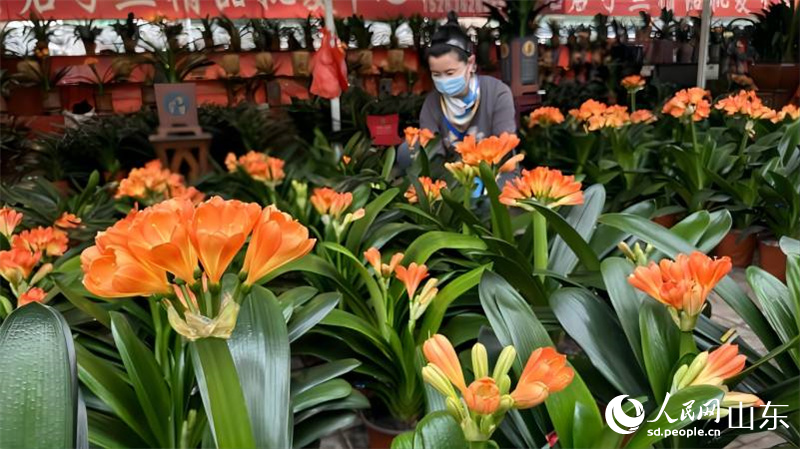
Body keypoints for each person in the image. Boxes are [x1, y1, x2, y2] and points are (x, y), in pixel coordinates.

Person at [419, 12, 516, 155]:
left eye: (450, 73)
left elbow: (505, 148)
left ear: (470, 63)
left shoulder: (497, 93)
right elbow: (432, 157)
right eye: (436, 74)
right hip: (449, 169)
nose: (443, 80)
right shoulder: (432, 104)